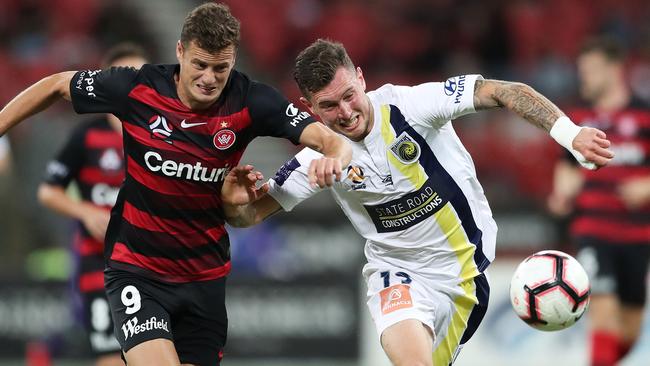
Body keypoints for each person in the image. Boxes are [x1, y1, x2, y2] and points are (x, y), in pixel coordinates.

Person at [220, 39, 614, 366]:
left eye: (349, 96)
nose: (345, 113)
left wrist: (570, 134)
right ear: (309, 108)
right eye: (328, 106)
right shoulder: (315, 159)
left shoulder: (413, 106)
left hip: (465, 276)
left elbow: (503, 91)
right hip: (397, 272)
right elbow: (249, 213)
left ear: (361, 78)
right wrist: (235, 202)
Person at [0, 4, 351, 366]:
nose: (209, 79)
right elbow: (56, 85)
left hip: (205, 277)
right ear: (180, 51)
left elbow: (330, 140)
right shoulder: (138, 88)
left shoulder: (250, 100)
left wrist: (334, 158)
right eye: (200, 65)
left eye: (221, 68)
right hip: (137, 270)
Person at [37, 43, 148, 366]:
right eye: (124, 76)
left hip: (152, 265)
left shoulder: (163, 134)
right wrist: (85, 212)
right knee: (110, 356)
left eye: (140, 76)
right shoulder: (87, 136)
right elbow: (48, 191)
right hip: (98, 265)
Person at [548, 37, 650, 366]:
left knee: (628, 333)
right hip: (592, 231)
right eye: (583, 71)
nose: (585, 78)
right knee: (602, 308)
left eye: (591, 70)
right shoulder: (577, 118)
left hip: (638, 236)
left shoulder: (645, 116)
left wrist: (645, 187)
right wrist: (561, 193)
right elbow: (566, 165)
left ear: (615, 69)